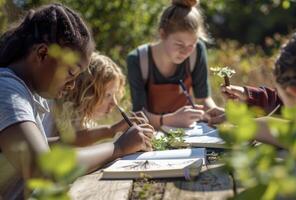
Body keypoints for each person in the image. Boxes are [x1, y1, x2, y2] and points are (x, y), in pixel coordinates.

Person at [0, 4, 153, 197]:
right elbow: (44, 168)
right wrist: (117, 147)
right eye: (70, 74)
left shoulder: (25, 91)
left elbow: (47, 145)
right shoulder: (7, 91)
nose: (72, 86)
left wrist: (111, 131)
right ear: (42, 54)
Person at [127, 0, 221, 129]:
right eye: (179, 44)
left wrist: (217, 114)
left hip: (187, 132)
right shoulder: (138, 59)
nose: (185, 52)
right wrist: (171, 119)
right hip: (151, 133)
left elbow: (204, 99)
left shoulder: (198, 50)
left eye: (191, 45)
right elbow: (138, 116)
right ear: (162, 34)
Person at [45, 52, 151, 147]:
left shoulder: (81, 121)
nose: (114, 103)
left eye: (114, 95)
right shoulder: (48, 113)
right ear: (87, 93)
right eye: (108, 95)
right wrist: (113, 132)